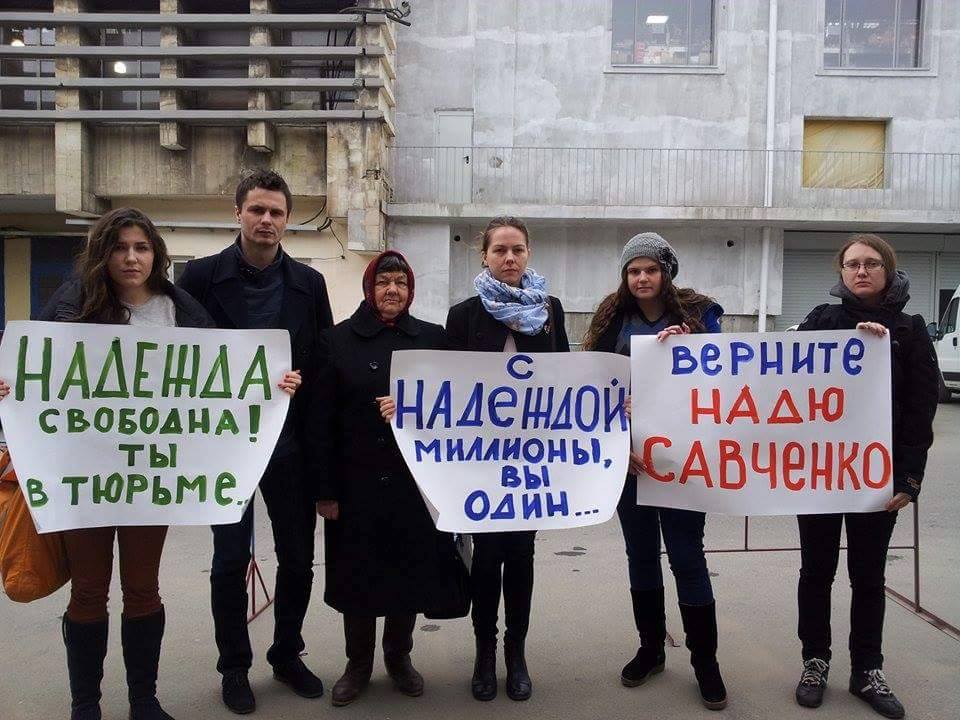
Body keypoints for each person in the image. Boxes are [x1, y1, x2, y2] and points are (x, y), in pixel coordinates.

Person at [0, 207, 217, 720]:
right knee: (89, 590)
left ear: (156, 254)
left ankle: (144, 700)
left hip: (150, 475)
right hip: (84, 477)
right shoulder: (72, 304)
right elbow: (33, 369)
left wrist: (272, 385)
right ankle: (86, 704)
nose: (131, 257)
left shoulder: (180, 309)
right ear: (103, 253)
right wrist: (9, 387)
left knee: (142, 589)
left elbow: (218, 379)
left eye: (141, 247)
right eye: (120, 247)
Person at [177, 170, 333, 714]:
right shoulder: (199, 276)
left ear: (287, 221)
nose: (266, 220)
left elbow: (322, 361)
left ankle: (287, 654)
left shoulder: (309, 283)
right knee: (228, 561)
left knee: (298, 558)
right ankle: (234, 667)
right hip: (225, 446)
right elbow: (171, 356)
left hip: (289, 446)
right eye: (257, 210)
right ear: (238, 214)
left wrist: (303, 380)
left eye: (276, 212)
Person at [792, 234, 938, 719]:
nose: (861, 271)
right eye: (852, 264)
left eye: (872, 263)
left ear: (888, 271)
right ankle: (814, 662)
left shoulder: (910, 330)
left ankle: (867, 670)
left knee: (868, 576)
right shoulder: (821, 321)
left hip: (875, 478)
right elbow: (779, 378)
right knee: (816, 572)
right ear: (841, 272)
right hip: (819, 474)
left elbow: (920, 408)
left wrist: (909, 478)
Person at [581, 231, 728, 711]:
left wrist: (692, 348)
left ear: (666, 272)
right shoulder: (611, 318)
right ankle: (651, 649)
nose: (642, 278)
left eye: (650, 269)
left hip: (683, 462)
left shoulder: (700, 314)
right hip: (629, 462)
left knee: (687, 557)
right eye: (633, 270)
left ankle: (705, 662)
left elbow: (724, 376)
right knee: (641, 555)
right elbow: (592, 386)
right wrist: (616, 444)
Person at [313, 250, 449, 706]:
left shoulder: (432, 338)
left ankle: (399, 657)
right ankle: (357, 664)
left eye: (401, 282)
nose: (393, 290)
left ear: (411, 290)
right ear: (369, 288)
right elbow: (321, 420)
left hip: (413, 485)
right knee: (358, 576)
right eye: (384, 282)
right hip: (356, 483)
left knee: (407, 573)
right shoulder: (336, 340)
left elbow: (454, 405)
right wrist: (326, 490)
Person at [445, 216, 570, 702]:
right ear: (485, 256)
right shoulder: (463, 315)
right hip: (481, 459)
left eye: (517, 249)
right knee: (486, 558)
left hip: (531, 460)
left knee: (521, 557)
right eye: (500, 250)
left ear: (528, 254)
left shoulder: (550, 310)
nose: (509, 258)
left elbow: (567, 378)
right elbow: (444, 388)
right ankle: (484, 652)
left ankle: (516, 654)